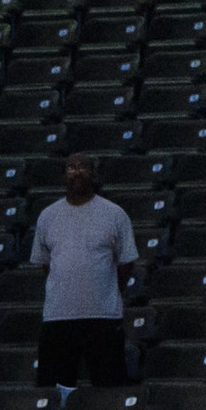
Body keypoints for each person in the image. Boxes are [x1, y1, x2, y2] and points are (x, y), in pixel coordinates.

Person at [29, 151, 138, 395]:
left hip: (103, 316)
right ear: (63, 175)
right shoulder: (48, 216)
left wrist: (105, 289)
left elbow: (126, 262)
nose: (77, 172)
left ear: (94, 174)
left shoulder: (114, 214)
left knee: (109, 388)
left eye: (83, 167)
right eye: (71, 167)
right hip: (58, 317)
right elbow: (46, 264)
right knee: (55, 391)